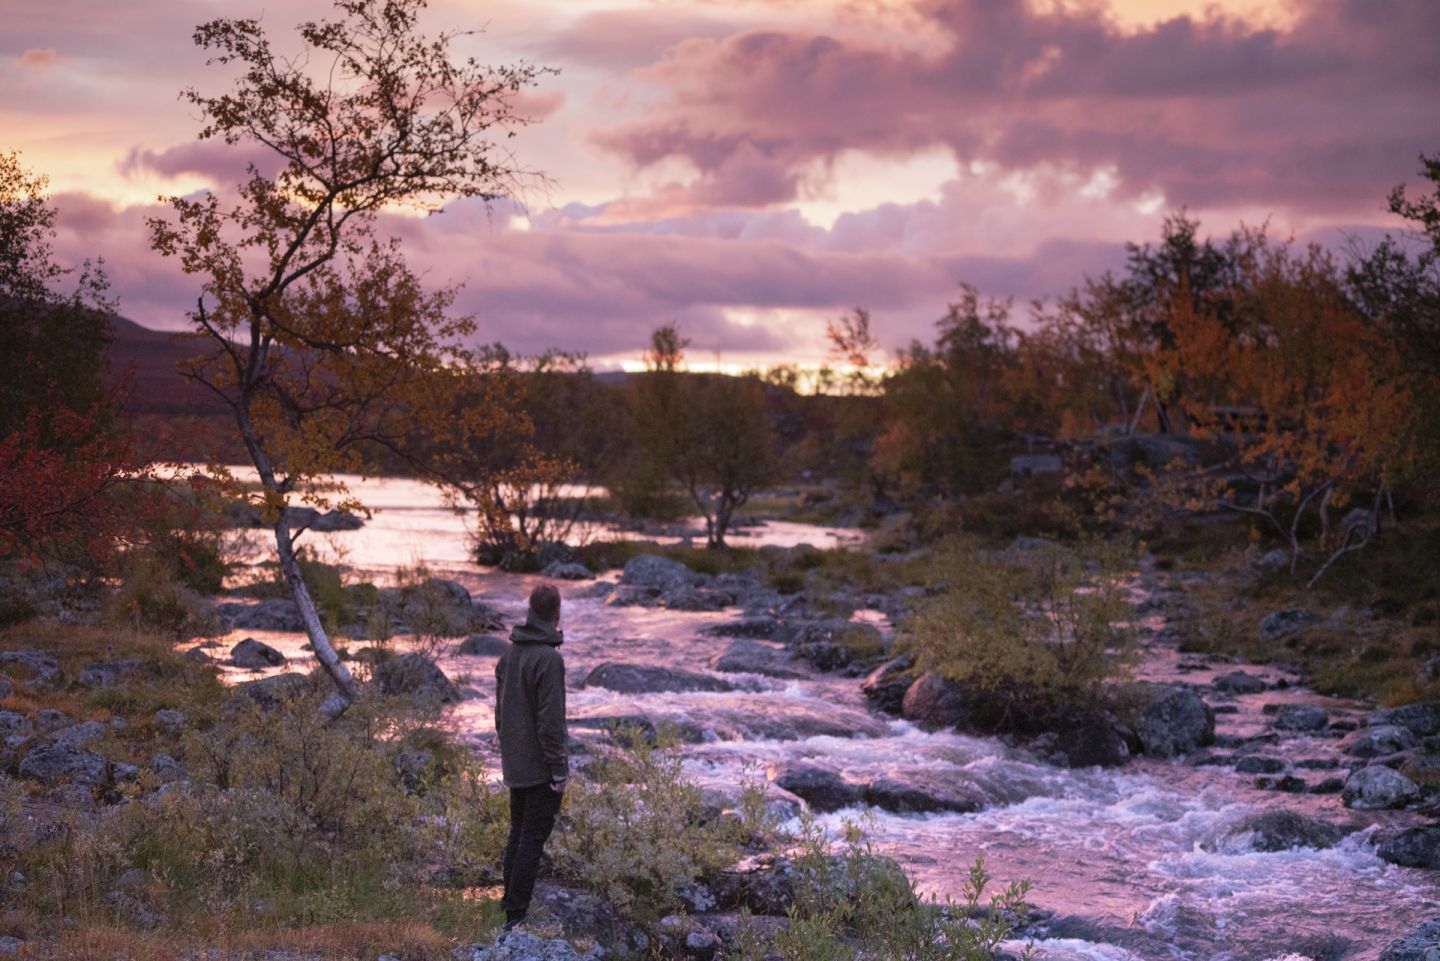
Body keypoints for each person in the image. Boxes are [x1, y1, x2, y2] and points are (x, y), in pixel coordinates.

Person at [494, 582, 569, 931]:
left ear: (530, 610)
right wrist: (559, 769)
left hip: (515, 761)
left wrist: (509, 748)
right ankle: (516, 917)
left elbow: (499, 714)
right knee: (530, 841)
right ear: (556, 613)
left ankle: (509, 905)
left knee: (517, 834)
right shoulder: (549, 660)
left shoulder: (509, 654)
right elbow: (550, 721)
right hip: (539, 766)